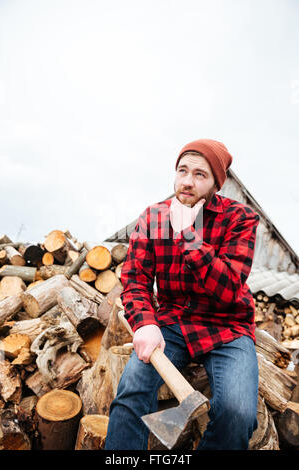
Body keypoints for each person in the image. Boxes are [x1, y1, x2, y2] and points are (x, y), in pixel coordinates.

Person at [104, 139, 260, 450]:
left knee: (238, 412)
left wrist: (189, 236)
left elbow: (229, 288)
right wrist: (146, 324)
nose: (187, 181)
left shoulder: (240, 219)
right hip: (172, 322)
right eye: (182, 170)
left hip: (227, 327)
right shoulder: (153, 217)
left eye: (200, 174)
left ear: (217, 182)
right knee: (132, 389)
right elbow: (135, 278)